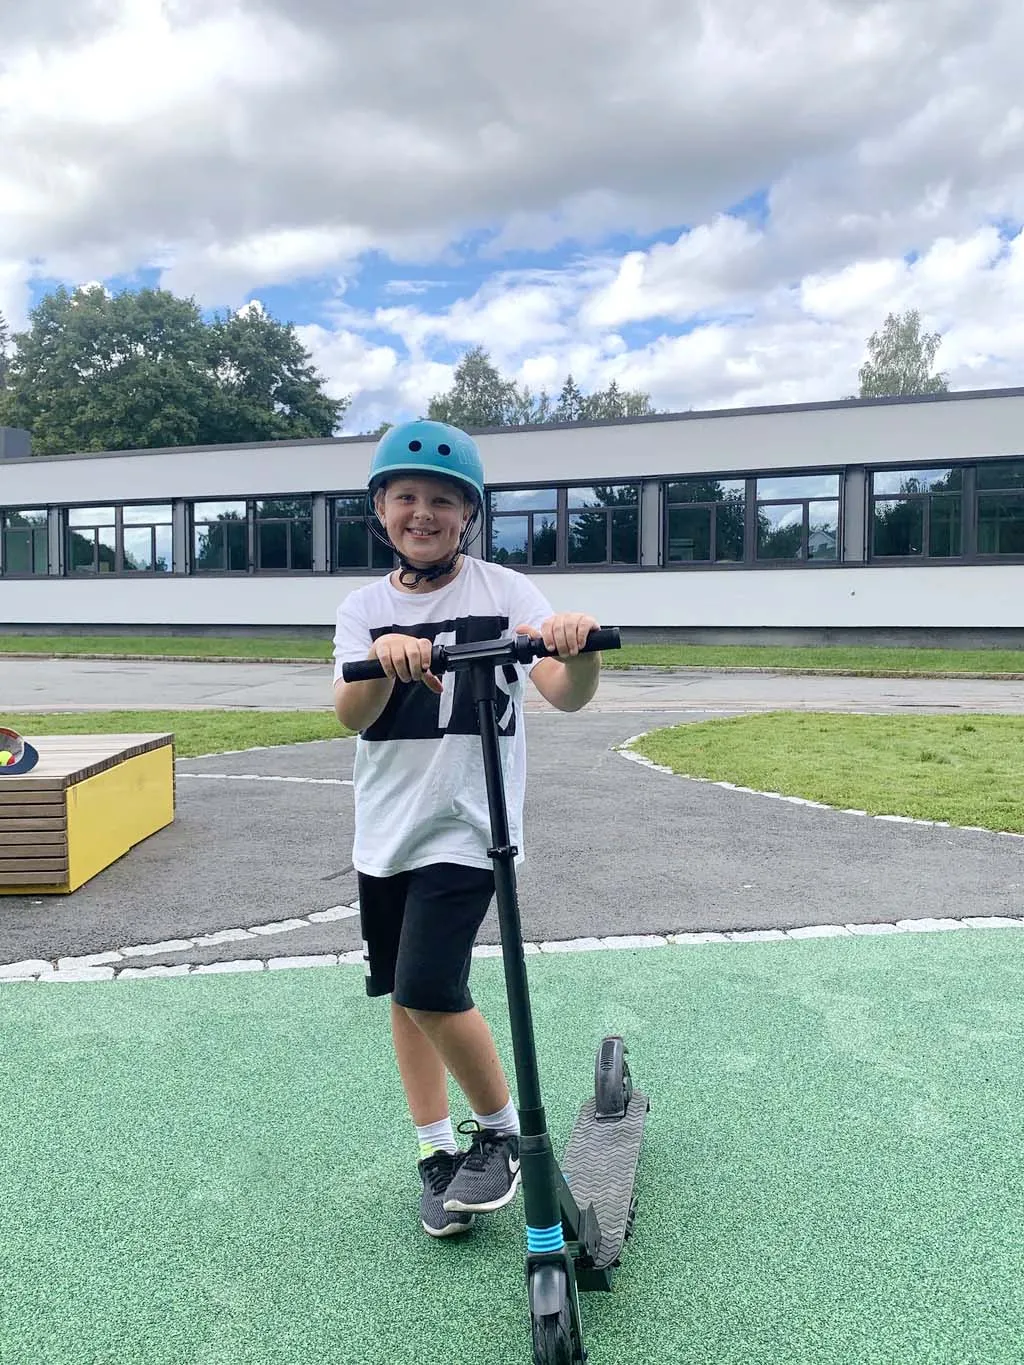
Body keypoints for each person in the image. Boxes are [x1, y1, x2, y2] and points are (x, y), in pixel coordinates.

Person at [332, 418, 604, 1238]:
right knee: (403, 994)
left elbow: (563, 690)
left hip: (469, 826)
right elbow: (351, 713)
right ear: (381, 509)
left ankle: (502, 1134)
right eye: (406, 497)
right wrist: (387, 658)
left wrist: (577, 648)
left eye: (443, 500)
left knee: (427, 985)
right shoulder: (363, 608)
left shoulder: (505, 592)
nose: (423, 512)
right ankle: (436, 1151)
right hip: (386, 831)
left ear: (468, 515)